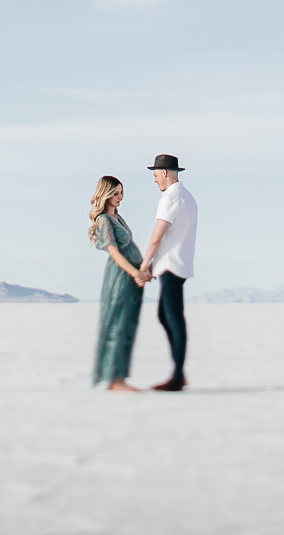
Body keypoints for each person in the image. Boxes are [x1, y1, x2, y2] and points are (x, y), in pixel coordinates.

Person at [139, 154, 197, 391]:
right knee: (166, 316)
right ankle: (177, 372)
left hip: (172, 265)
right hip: (176, 263)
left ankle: (177, 376)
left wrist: (144, 265)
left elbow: (157, 236)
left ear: (164, 172)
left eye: (155, 175)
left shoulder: (170, 198)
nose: (154, 180)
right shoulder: (187, 197)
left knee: (172, 317)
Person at [88, 175, 144, 391]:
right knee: (117, 324)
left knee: (128, 324)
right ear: (105, 194)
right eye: (115, 193)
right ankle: (114, 379)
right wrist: (134, 272)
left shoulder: (117, 217)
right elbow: (114, 251)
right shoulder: (104, 219)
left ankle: (119, 376)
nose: (119, 197)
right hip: (120, 277)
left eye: (121, 193)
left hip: (131, 278)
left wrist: (142, 270)